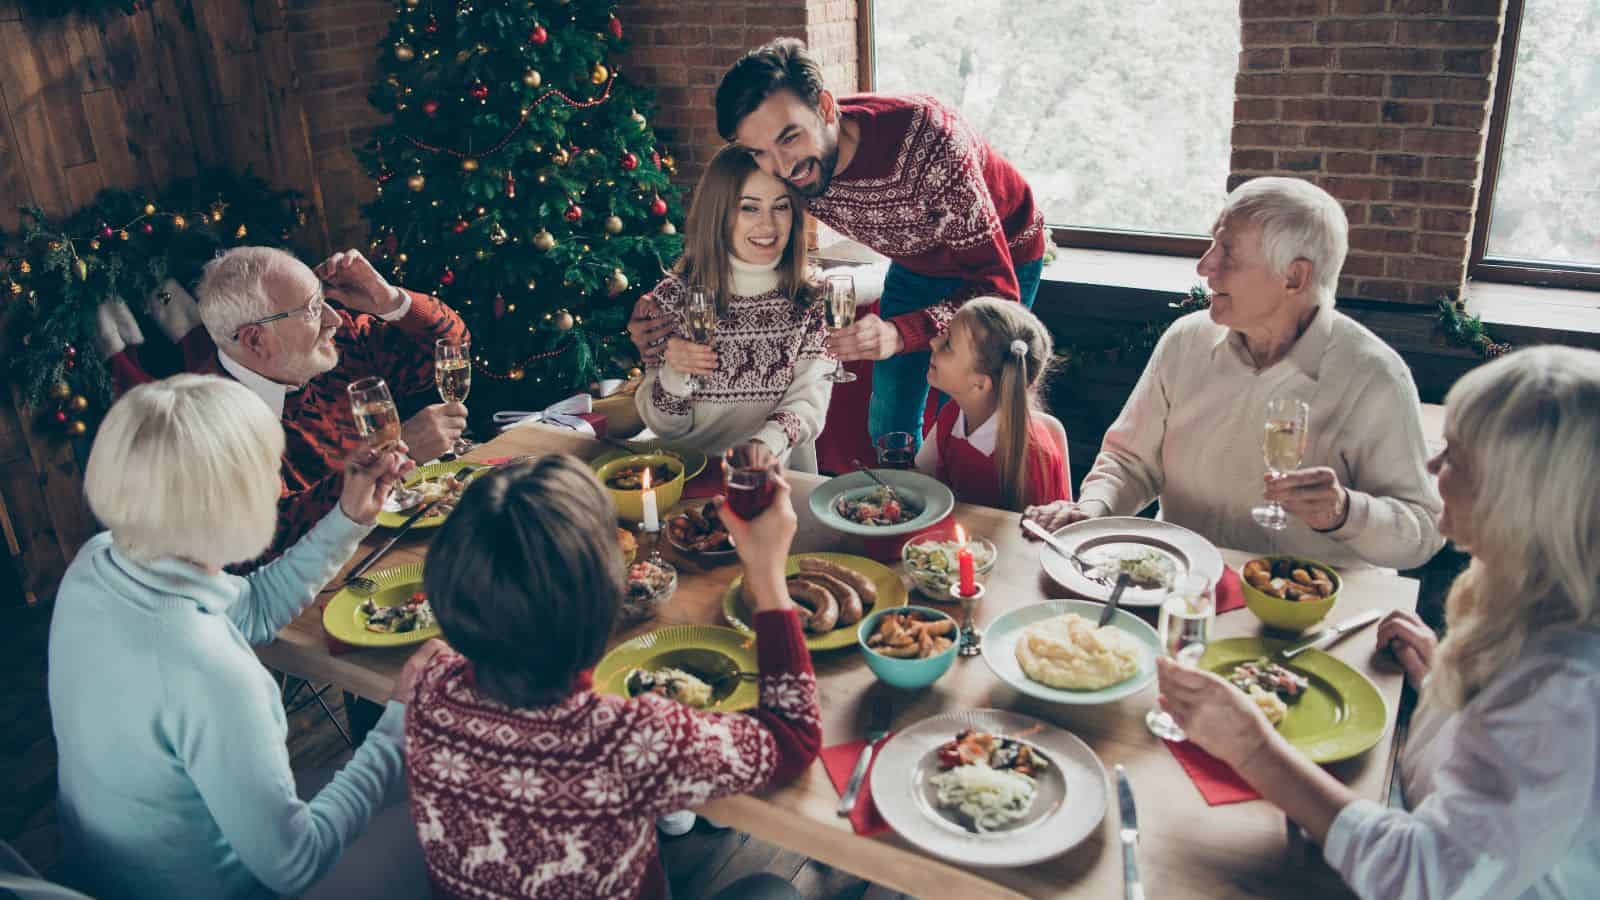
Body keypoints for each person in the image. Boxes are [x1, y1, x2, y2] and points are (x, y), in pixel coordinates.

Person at [1157, 345, 1600, 899]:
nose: (1434, 468)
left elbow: (1422, 877)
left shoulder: (1565, 690)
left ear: (1525, 496)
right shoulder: (1538, 608)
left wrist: (1252, 748)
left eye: (1456, 456)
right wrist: (1441, 687)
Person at [47, 375, 442, 900]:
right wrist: (398, 723)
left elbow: (253, 606)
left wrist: (348, 518)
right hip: (228, 887)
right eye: (266, 472)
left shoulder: (99, 561)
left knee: (408, 777)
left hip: (117, 872)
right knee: (451, 813)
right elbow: (294, 864)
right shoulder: (208, 669)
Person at [405, 456, 820, 900]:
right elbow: (793, 736)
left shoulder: (427, 688)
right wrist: (767, 572)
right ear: (606, 596)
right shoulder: (622, 740)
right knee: (774, 890)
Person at [1024, 177, 1442, 570]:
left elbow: (1423, 531)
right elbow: (1129, 462)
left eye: (1228, 252)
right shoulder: (1186, 341)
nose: (1205, 266)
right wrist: (1090, 511)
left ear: (1294, 277)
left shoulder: (1374, 376)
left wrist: (1344, 512)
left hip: (1302, 612)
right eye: (1212, 244)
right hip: (1181, 590)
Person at [711, 37, 1047, 450]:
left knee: (976, 410)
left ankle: (969, 510)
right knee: (890, 420)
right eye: (759, 152)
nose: (781, 167)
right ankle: (901, 509)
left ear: (827, 107)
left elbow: (997, 287)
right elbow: (738, 237)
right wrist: (677, 301)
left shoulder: (932, 144)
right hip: (917, 262)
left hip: (1001, 258)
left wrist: (901, 334)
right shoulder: (788, 168)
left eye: (790, 138)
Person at [194, 246, 470, 562]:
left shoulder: (338, 344)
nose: (334, 318)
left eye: (322, 299)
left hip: (404, 538)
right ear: (255, 340)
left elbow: (449, 352)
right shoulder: (210, 421)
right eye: (312, 310)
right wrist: (391, 457)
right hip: (324, 581)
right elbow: (268, 539)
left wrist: (389, 299)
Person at [633, 143, 833, 470]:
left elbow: (809, 403)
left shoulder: (813, 298)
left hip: (780, 477)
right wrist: (674, 375)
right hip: (693, 478)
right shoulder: (671, 299)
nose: (768, 225)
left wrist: (762, 447)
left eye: (780, 207)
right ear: (719, 213)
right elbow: (665, 427)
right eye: (749, 208)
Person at [914, 297, 1070, 511]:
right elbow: (920, 480)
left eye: (948, 343)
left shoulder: (1033, 461)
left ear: (980, 382)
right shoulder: (952, 413)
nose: (933, 342)